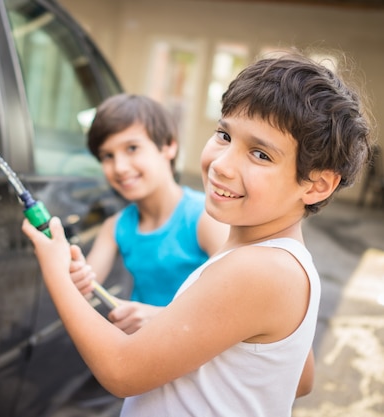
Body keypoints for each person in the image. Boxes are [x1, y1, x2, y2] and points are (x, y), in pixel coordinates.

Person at [21, 51, 373, 416]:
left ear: (316, 185)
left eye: (260, 155)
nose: (221, 164)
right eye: (224, 135)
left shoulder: (259, 271)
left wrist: (54, 268)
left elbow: (122, 370)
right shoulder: (268, 261)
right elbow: (300, 378)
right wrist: (170, 324)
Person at [70, 94, 229, 334]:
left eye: (132, 148)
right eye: (107, 156)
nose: (120, 167)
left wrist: (158, 317)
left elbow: (234, 305)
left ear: (169, 146)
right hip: (144, 353)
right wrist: (77, 282)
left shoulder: (204, 219)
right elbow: (79, 294)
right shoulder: (115, 227)